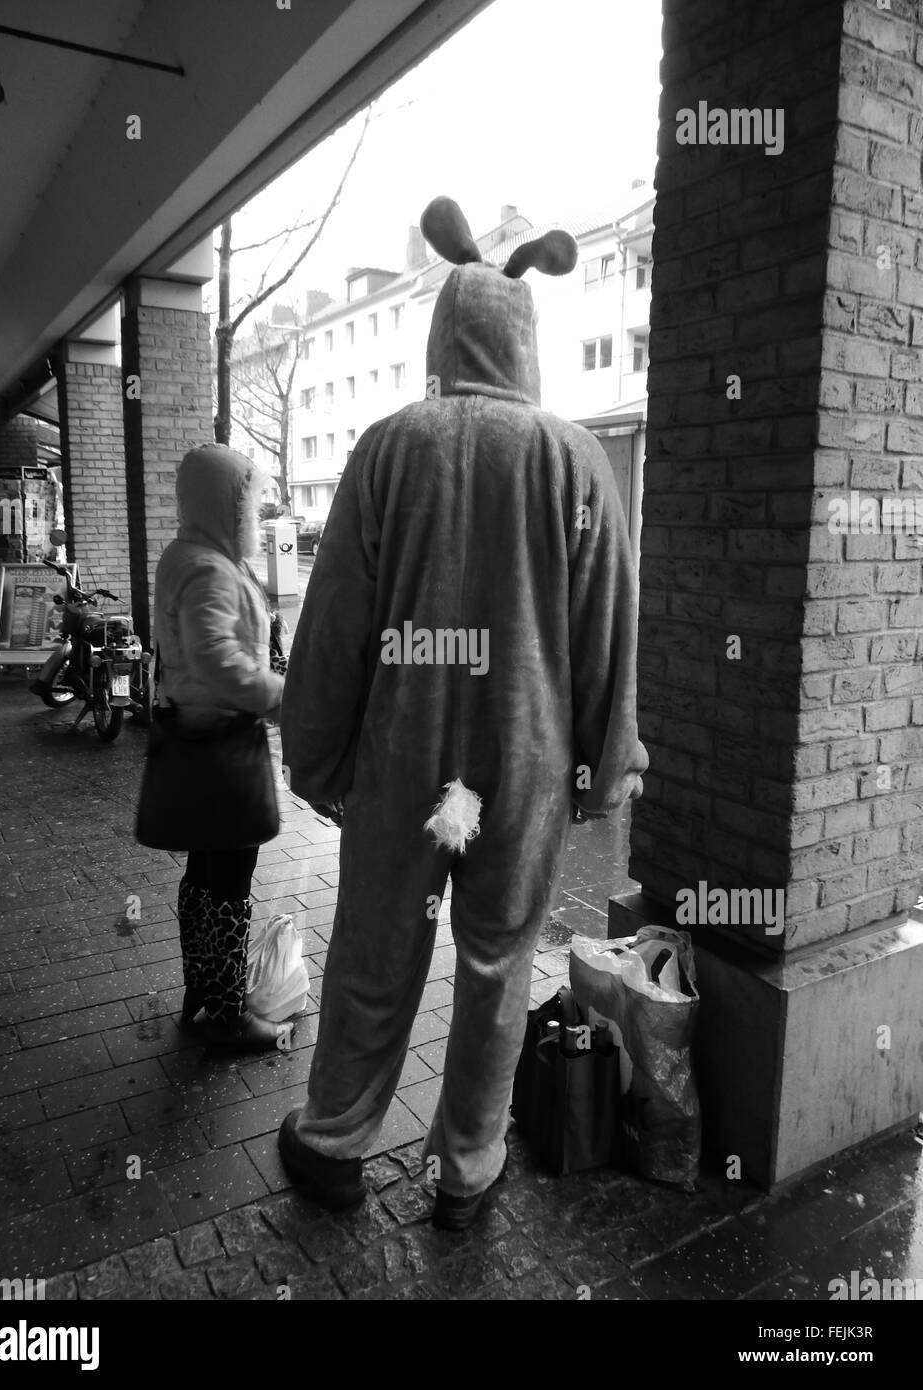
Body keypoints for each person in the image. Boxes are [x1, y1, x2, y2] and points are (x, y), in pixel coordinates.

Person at [277, 197, 648, 1227]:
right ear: (527, 340)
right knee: (497, 961)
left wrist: (317, 752)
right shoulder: (576, 461)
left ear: (443, 331)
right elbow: (612, 625)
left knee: (376, 945)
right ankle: (470, 1168)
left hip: (405, 754)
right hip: (525, 757)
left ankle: (337, 1141)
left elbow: (337, 619)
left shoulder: (389, 450)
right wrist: (604, 767)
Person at [153, 443, 285, 1052]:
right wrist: (281, 694)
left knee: (204, 876)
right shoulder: (207, 568)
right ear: (223, 504)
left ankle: (201, 993)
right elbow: (218, 662)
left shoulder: (188, 554)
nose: (255, 514)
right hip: (221, 746)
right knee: (229, 879)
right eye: (248, 501)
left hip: (196, 740)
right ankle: (228, 1014)